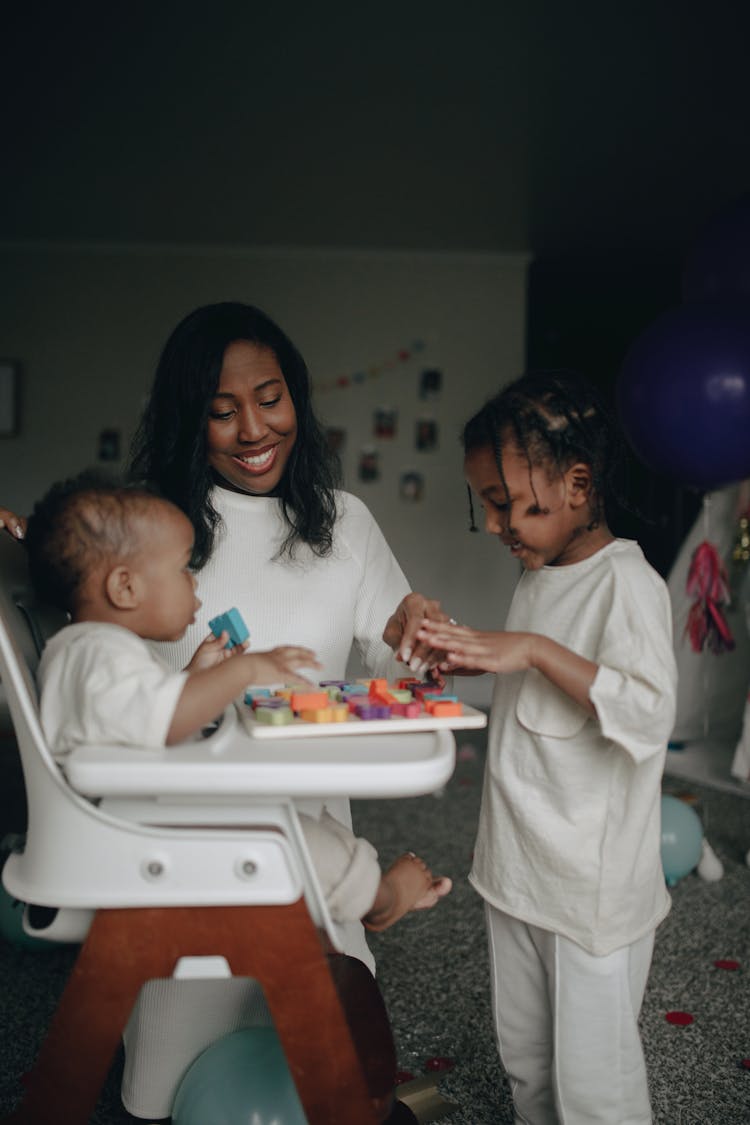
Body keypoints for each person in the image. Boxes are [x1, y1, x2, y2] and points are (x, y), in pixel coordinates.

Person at [0, 301, 447, 962]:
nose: (253, 429)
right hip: (181, 836)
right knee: (184, 1015)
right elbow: (94, 637)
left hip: (304, 832)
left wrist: (421, 637)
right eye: (222, 409)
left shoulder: (345, 523)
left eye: (271, 399)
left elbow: (406, 664)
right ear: (191, 418)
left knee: (321, 1009)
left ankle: (357, 897)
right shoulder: (149, 530)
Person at [414, 371, 677, 1125]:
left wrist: (528, 648)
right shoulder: (540, 573)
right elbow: (534, 688)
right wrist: (474, 657)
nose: (495, 525)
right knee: (526, 1058)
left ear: (577, 483)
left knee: (593, 1082)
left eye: (503, 502)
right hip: (517, 870)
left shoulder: (627, 582)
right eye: (485, 505)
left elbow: (647, 711)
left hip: (589, 893)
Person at [25, 473, 452, 933]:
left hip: (138, 821)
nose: (194, 585)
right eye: (182, 569)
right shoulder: (97, 655)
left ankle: (357, 880)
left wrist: (194, 676)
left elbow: (134, 723)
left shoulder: (93, 651)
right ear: (125, 588)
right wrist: (242, 672)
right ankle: (381, 899)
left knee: (294, 819)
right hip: (134, 839)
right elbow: (164, 722)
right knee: (286, 840)